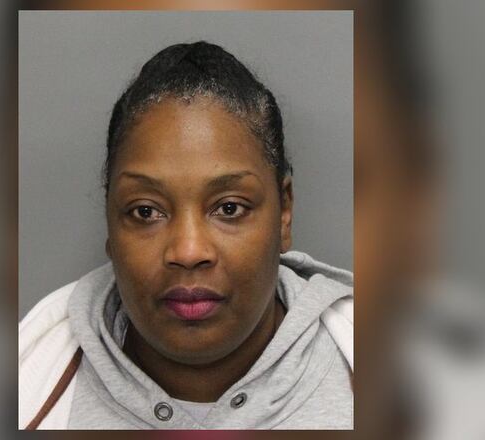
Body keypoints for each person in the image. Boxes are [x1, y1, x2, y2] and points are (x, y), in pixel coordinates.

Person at [18, 41, 353, 429]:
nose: (189, 251)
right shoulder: (25, 378)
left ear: (284, 215)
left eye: (229, 208)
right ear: (110, 222)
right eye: (146, 211)